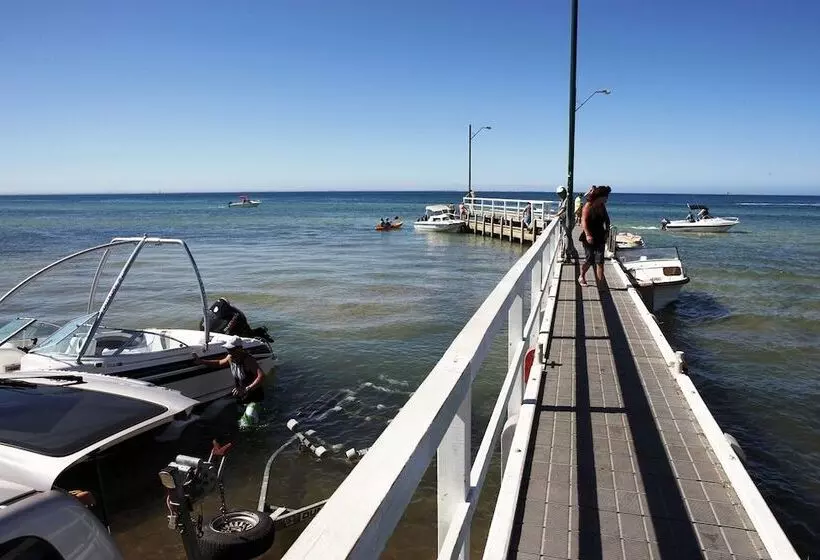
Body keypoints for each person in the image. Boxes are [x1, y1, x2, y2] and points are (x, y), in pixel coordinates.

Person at [193, 336, 265, 428]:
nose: (229, 352)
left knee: (247, 425)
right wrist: (201, 361)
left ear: (240, 349)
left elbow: (261, 376)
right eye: (228, 349)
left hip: (255, 398)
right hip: (241, 397)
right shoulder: (230, 357)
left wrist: (247, 389)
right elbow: (219, 363)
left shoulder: (248, 360)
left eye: (231, 349)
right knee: (233, 421)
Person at [578, 185, 612, 289]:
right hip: (589, 236)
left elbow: (607, 220)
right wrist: (588, 235)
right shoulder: (588, 205)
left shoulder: (602, 206)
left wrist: (607, 231)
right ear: (600, 196)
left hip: (600, 236)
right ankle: (582, 275)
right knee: (589, 259)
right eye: (606, 196)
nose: (607, 199)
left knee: (600, 261)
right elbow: (583, 221)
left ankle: (601, 285)